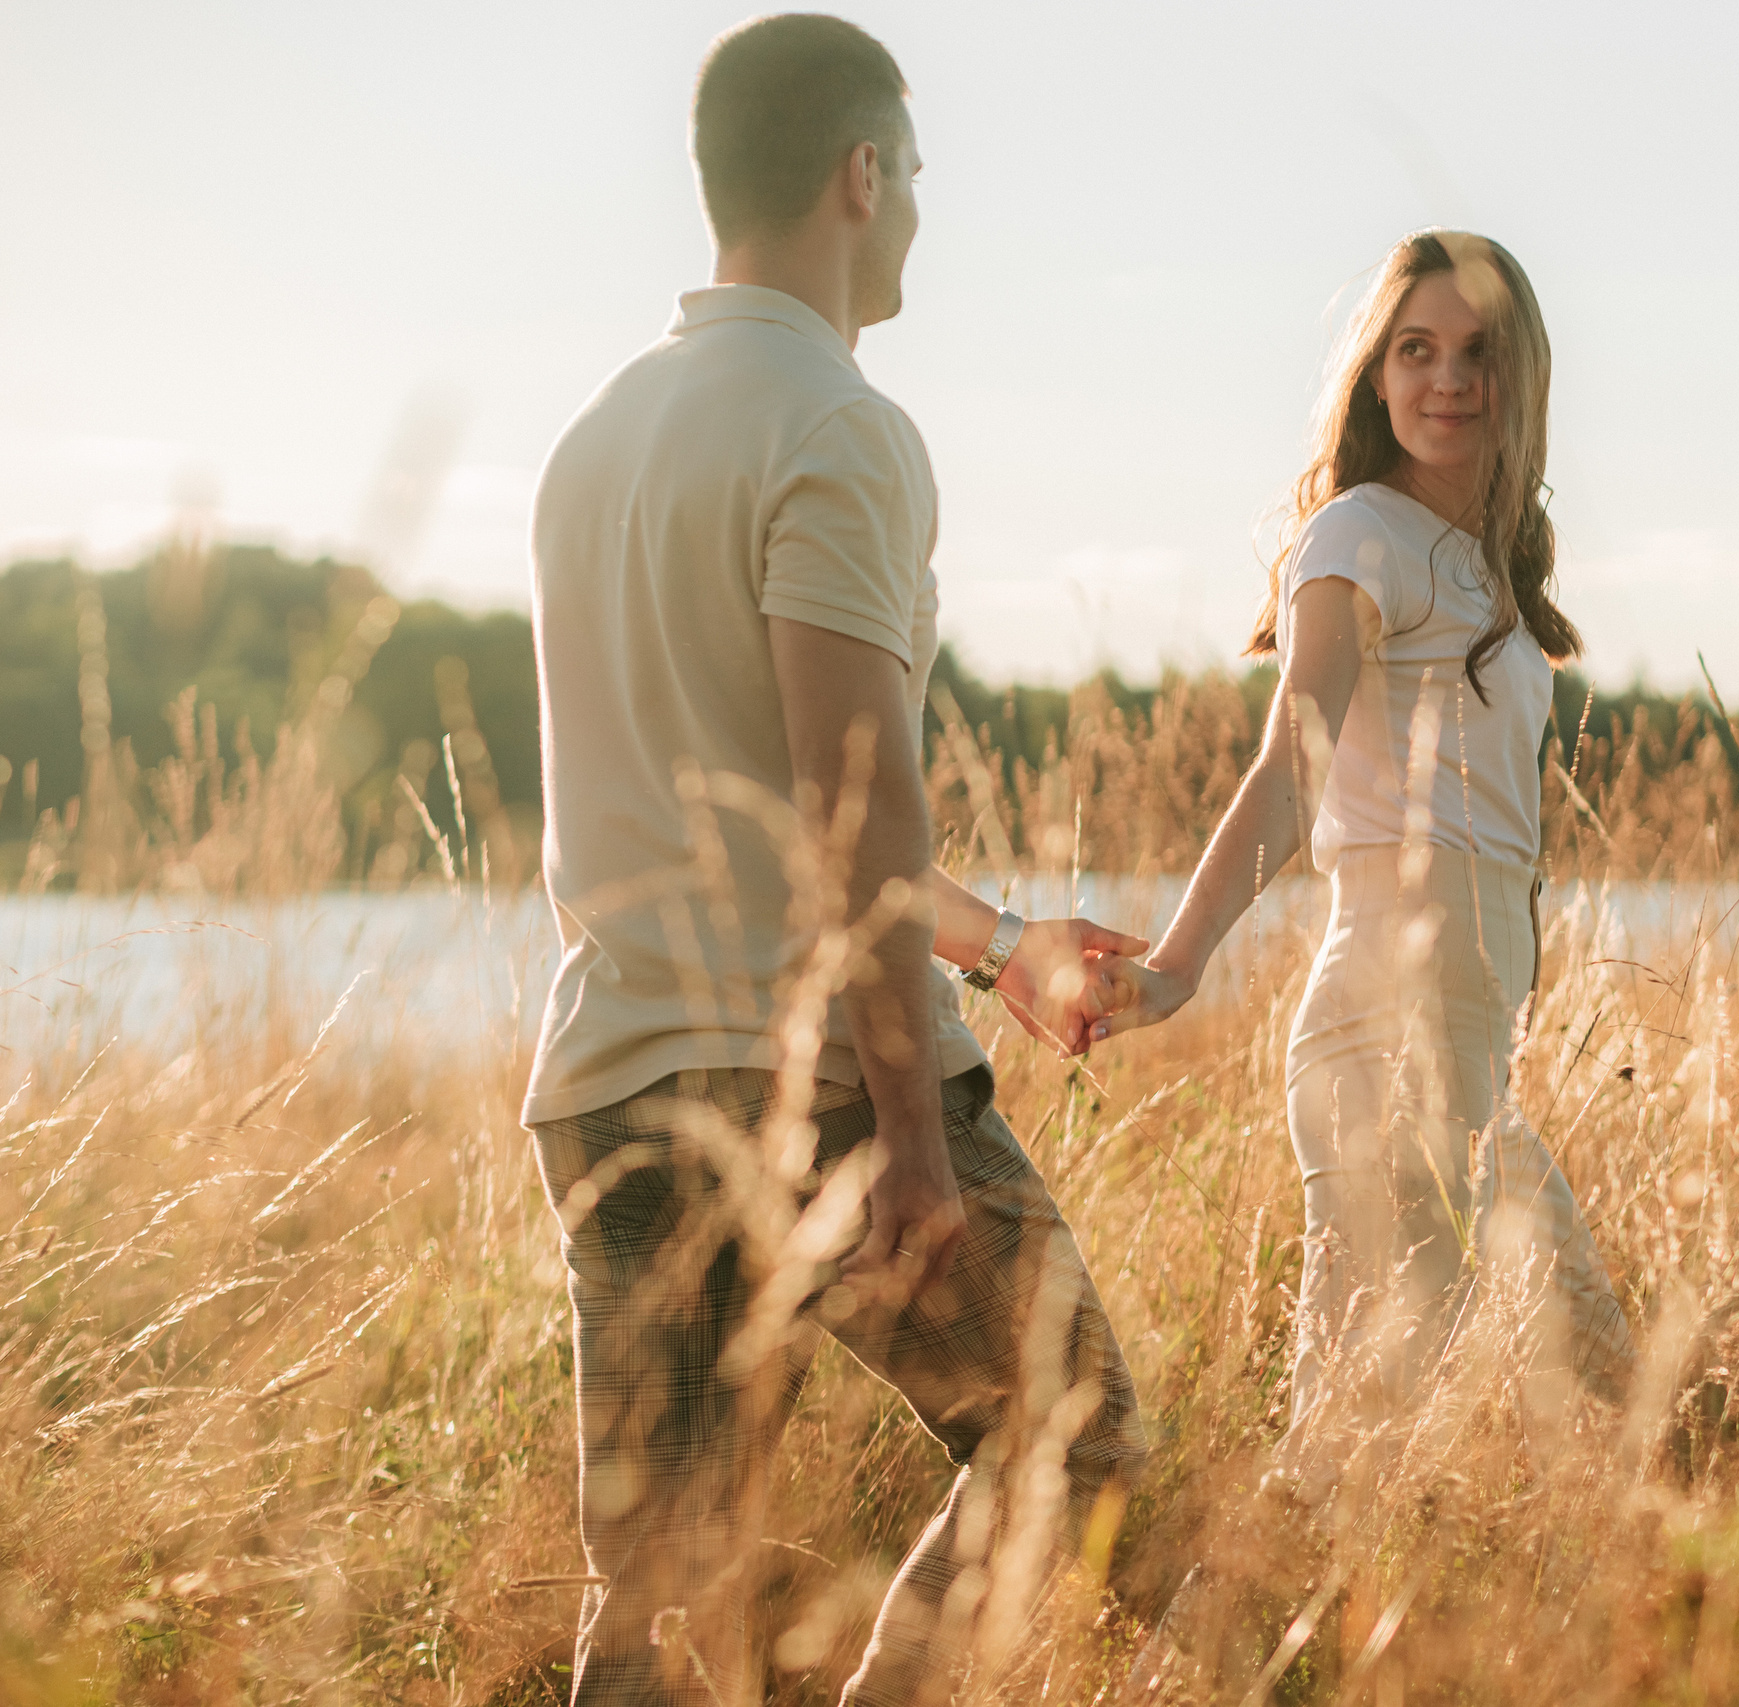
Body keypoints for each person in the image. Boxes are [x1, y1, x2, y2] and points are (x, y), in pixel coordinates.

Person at [521, 17, 1146, 1703]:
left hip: (610, 1081)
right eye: (918, 175)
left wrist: (996, 939)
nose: (923, 212)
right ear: (861, 177)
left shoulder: (596, 439)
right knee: (1073, 1439)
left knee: (656, 1595)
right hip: (811, 1101)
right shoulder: (839, 428)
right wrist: (923, 1141)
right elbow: (845, 809)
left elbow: (732, 794)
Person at [1099, 231, 1635, 1481]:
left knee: (1547, 1399)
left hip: (1460, 1046)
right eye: (1416, 350)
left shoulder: (1490, 572)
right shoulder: (1359, 534)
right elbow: (1296, 762)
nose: (1448, 379)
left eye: (1479, 353)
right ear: (1376, 378)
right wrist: (1177, 965)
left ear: (1525, 377)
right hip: (1388, 1037)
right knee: (1409, 1434)